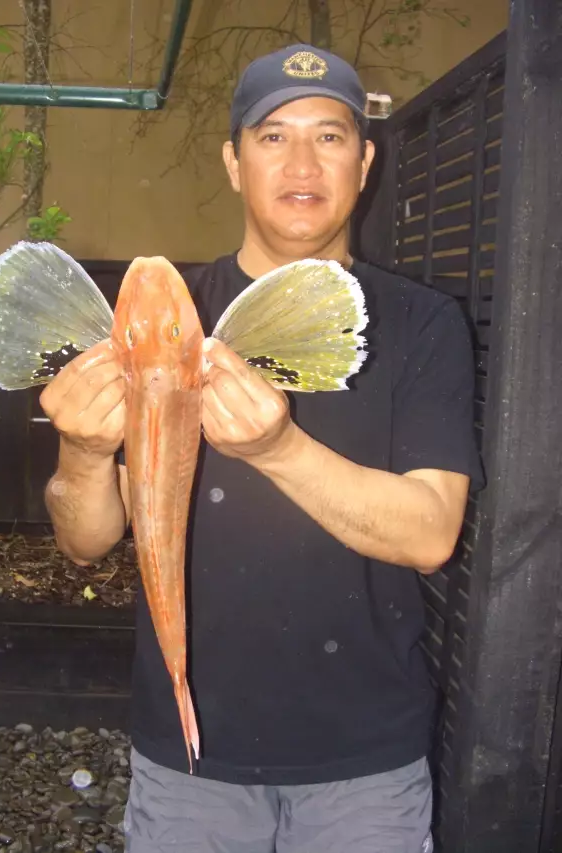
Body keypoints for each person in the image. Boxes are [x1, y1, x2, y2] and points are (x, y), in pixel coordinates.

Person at [40, 43, 483, 853]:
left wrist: (279, 448)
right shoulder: (171, 317)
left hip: (367, 764)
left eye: (331, 135)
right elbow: (84, 543)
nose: (302, 161)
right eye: (272, 136)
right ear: (235, 162)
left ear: (365, 161)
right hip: (188, 762)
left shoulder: (423, 324)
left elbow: (429, 533)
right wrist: (80, 450)